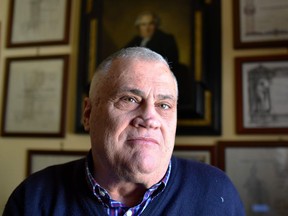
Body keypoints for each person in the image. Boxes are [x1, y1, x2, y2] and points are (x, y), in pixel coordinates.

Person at [3, 47, 245, 215]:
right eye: (129, 99)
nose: (150, 118)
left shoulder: (216, 192)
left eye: (164, 105)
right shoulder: (34, 199)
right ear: (88, 114)